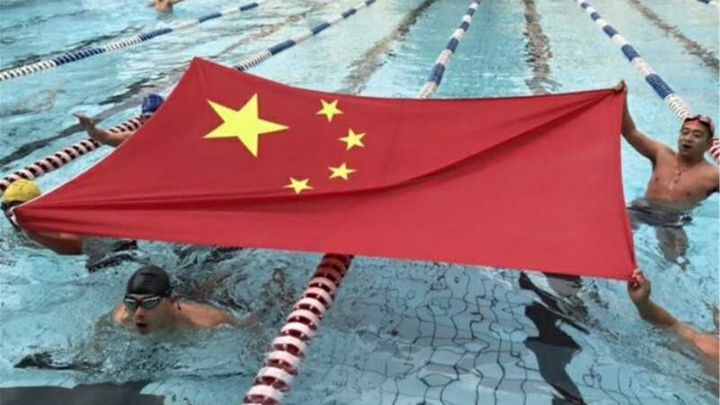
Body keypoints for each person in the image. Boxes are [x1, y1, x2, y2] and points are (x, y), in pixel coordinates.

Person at [615, 81, 718, 264]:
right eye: (685, 132)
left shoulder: (713, 175)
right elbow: (630, 132)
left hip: (672, 221)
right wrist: (622, 99)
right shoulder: (661, 154)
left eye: (696, 135)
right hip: (640, 209)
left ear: (709, 144)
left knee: (678, 262)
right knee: (608, 233)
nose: (688, 138)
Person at [2, 179, 141, 272]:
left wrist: (35, 236)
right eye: (4, 206)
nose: (8, 213)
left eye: (16, 207)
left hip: (115, 254)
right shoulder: (13, 237)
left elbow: (77, 247)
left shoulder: (55, 226)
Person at [628, 269, 719, 375]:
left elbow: (671, 325)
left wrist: (643, 303)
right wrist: (643, 302)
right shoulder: (711, 347)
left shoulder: (712, 352)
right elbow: (671, 325)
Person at [114, 265, 249, 334]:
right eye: (132, 303)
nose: (139, 313)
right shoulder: (121, 319)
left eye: (150, 302)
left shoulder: (208, 323)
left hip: (216, 299)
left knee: (209, 288)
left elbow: (246, 328)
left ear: (172, 301)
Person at [73, 93, 165, 147]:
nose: (154, 121)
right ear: (141, 119)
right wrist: (90, 128)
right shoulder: (135, 139)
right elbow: (105, 137)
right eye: (149, 117)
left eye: (158, 116)